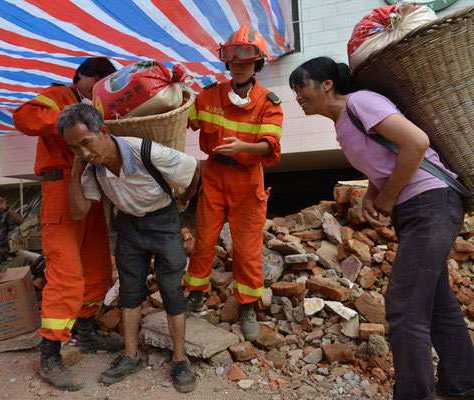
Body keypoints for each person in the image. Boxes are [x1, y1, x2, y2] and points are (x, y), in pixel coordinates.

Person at [289, 56, 474, 400]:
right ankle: (463, 383)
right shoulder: (343, 123)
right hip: (419, 209)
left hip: (431, 202)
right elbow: (385, 161)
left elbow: (415, 143)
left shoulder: (360, 102)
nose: (297, 94)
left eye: (301, 85)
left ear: (326, 83)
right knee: (435, 302)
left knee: (403, 307)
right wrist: (375, 195)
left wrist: (386, 199)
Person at [59, 103, 201, 393]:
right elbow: (77, 212)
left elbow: (193, 168)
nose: (83, 153)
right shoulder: (91, 170)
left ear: (104, 131)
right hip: (128, 227)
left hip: (164, 222)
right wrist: (76, 169)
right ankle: (130, 355)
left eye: (86, 143)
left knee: (172, 290)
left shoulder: (147, 152)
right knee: (130, 291)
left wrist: (185, 197)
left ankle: (179, 359)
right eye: (74, 148)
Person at [12, 58, 123, 391]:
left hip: (91, 190)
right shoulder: (60, 94)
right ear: (86, 77)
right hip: (61, 187)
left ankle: (86, 334)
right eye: (100, 81)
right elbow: (24, 118)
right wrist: (70, 121)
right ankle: (50, 353)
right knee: (66, 274)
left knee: (98, 268)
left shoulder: (98, 106)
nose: (102, 88)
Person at [183, 26, 283, 341]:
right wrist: (174, 92)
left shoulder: (269, 101)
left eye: (247, 59)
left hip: (248, 177)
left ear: (257, 64)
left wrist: (243, 149)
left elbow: (270, 145)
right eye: (233, 59)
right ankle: (196, 294)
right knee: (204, 241)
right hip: (214, 175)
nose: (239, 65)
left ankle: (247, 306)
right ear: (227, 62)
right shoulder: (209, 95)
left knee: (247, 248)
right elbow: (183, 118)